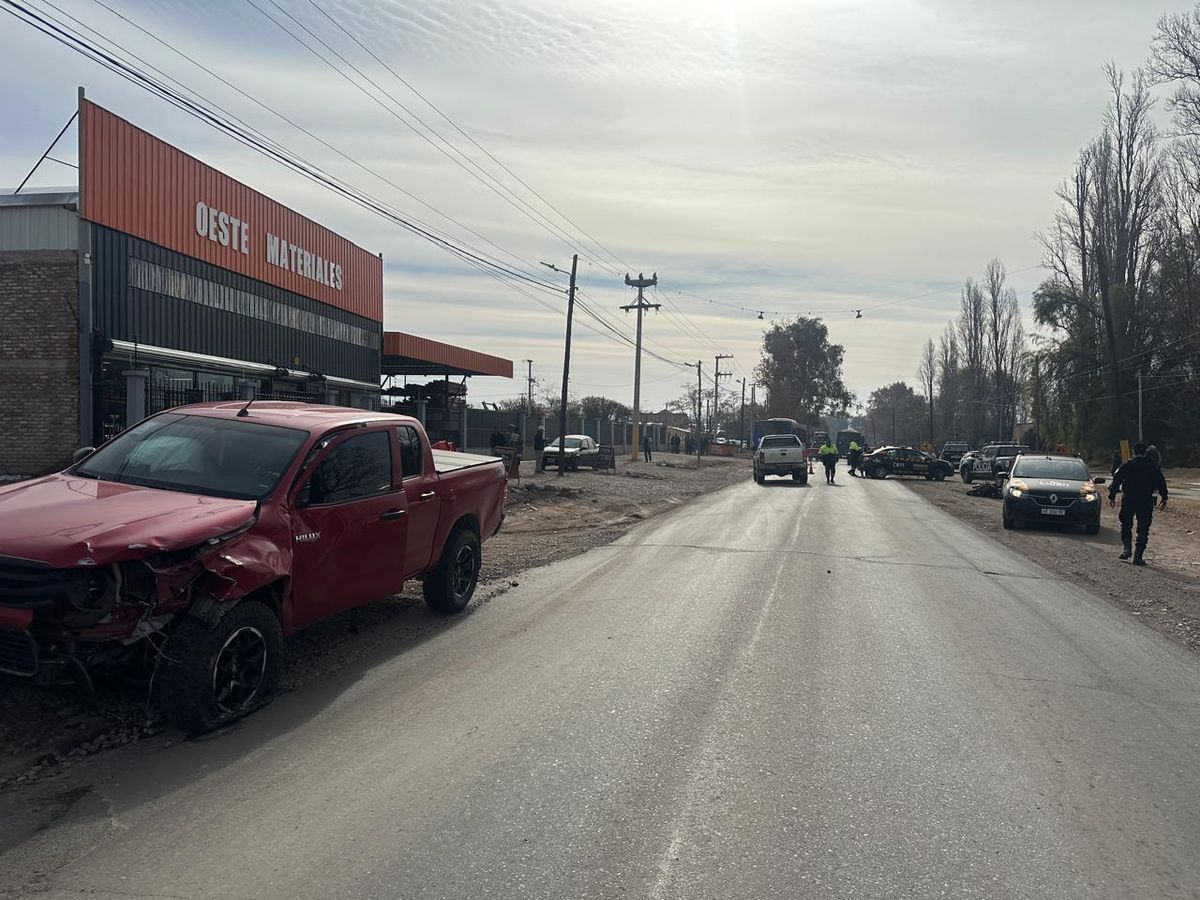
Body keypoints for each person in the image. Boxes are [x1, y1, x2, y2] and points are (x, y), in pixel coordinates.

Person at [1108, 442, 1169, 566]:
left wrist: (1112, 496)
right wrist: (1164, 497)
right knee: (1143, 529)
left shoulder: (1127, 465)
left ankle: (1126, 549)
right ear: (1145, 452)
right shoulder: (1152, 467)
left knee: (1126, 524)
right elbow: (1161, 482)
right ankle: (1138, 556)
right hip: (1145, 501)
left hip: (1129, 500)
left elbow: (1116, 480)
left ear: (1133, 452)